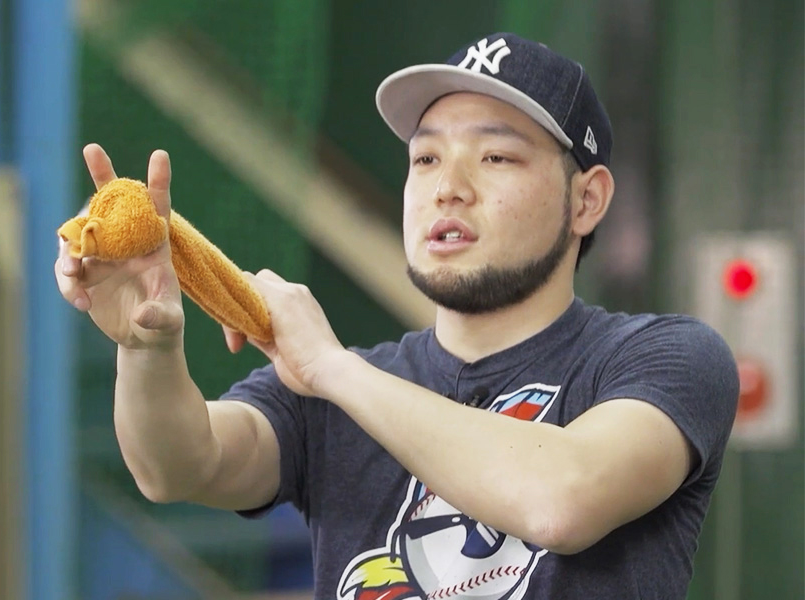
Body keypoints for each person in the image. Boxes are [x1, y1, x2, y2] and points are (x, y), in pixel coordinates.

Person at [56, 32, 739, 600]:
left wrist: (332, 369)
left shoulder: (666, 358)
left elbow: (562, 499)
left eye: (496, 156)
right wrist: (147, 347)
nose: (449, 187)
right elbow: (178, 465)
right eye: (427, 157)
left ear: (587, 200)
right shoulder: (334, 388)